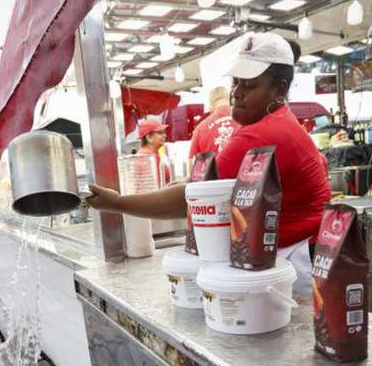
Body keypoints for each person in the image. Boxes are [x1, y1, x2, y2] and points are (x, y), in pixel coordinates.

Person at [87, 32, 331, 292]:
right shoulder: (270, 121)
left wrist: (116, 203)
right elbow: (209, 184)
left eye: (249, 86)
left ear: (280, 89)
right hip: (299, 251)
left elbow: (196, 199)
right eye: (235, 83)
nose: (236, 94)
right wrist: (189, 183)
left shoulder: (263, 133)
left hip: (300, 257)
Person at [189, 86, 239, 159]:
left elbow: (193, 165)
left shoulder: (199, 129)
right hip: (247, 169)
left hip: (215, 169)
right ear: (231, 100)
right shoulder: (248, 118)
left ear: (210, 110)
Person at [135, 117, 173, 187]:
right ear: (149, 138)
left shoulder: (147, 153)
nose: (165, 135)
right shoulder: (149, 156)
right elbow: (156, 186)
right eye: (160, 133)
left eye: (164, 133)